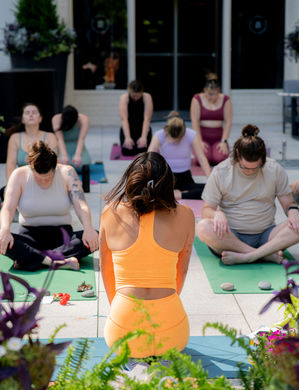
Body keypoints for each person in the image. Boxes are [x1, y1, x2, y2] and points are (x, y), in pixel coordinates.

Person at [99, 152, 194, 358]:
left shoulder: (110, 212)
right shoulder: (186, 214)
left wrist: (119, 311)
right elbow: (182, 271)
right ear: (168, 183)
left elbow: (106, 271)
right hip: (173, 332)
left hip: (122, 331)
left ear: (131, 181)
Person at [197, 124, 299, 265]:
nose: (249, 171)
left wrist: (293, 211)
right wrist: (216, 214)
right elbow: (206, 210)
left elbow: (288, 203)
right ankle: (263, 255)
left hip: (267, 235)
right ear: (237, 154)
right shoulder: (221, 171)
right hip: (231, 237)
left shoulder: (274, 168)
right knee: (202, 227)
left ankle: (249, 256)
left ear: (263, 160)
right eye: (244, 167)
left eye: (255, 168)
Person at [0, 141, 98, 271]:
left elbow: (81, 205)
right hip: (29, 237)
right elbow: (8, 207)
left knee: (96, 235)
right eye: (39, 178)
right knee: (2, 238)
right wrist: (5, 229)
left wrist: (88, 228)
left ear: (55, 166)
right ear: (31, 167)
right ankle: (55, 262)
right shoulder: (19, 175)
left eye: (48, 177)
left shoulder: (67, 172)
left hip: (63, 238)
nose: (44, 181)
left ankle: (31, 259)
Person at [0, 103, 58, 202]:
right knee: (4, 192)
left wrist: (45, 183)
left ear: (40, 118)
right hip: (22, 182)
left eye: (34, 112)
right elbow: (10, 165)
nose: (31, 115)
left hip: (45, 181)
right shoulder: (15, 138)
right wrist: (12, 186)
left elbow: (55, 165)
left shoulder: (50, 137)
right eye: (27, 113)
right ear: (22, 119)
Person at [148, 111, 211, 199]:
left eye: (179, 138)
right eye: (173, 138)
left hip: (185, 178)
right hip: (166, 176)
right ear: (166, 130)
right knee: (148, 191)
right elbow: (149, 159)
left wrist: (210, 179)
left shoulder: (190, 134)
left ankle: (180, 195)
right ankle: (171, 193)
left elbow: (201, 158)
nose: (176, 141)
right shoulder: (159, 135)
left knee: (210, 190)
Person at [190, 73, 232, 166]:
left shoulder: (225, 99)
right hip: (202, 137)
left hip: (218, 138)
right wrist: (199, 141)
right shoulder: (197, 99)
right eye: (209, 94)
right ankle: (208, 151)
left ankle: (215, 152)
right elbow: (195, 122)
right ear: (204, 90)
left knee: (220, 159)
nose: (211, 97)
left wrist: (224, 141)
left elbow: (228, 122)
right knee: (202, 159)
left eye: (214, 94)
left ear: (218, 91)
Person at [119, 80, 153, 156]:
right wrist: (127, 138)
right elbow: (124, 119)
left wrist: (144, 137)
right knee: (127, 152)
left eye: (138, 96)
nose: (136, 98)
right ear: (129, 92)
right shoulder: (124, 98)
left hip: (143, 129)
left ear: (142, 92)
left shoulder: (147, 97)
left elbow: (147, 119)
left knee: (144, 153)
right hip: (128, 129)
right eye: (133, 96)